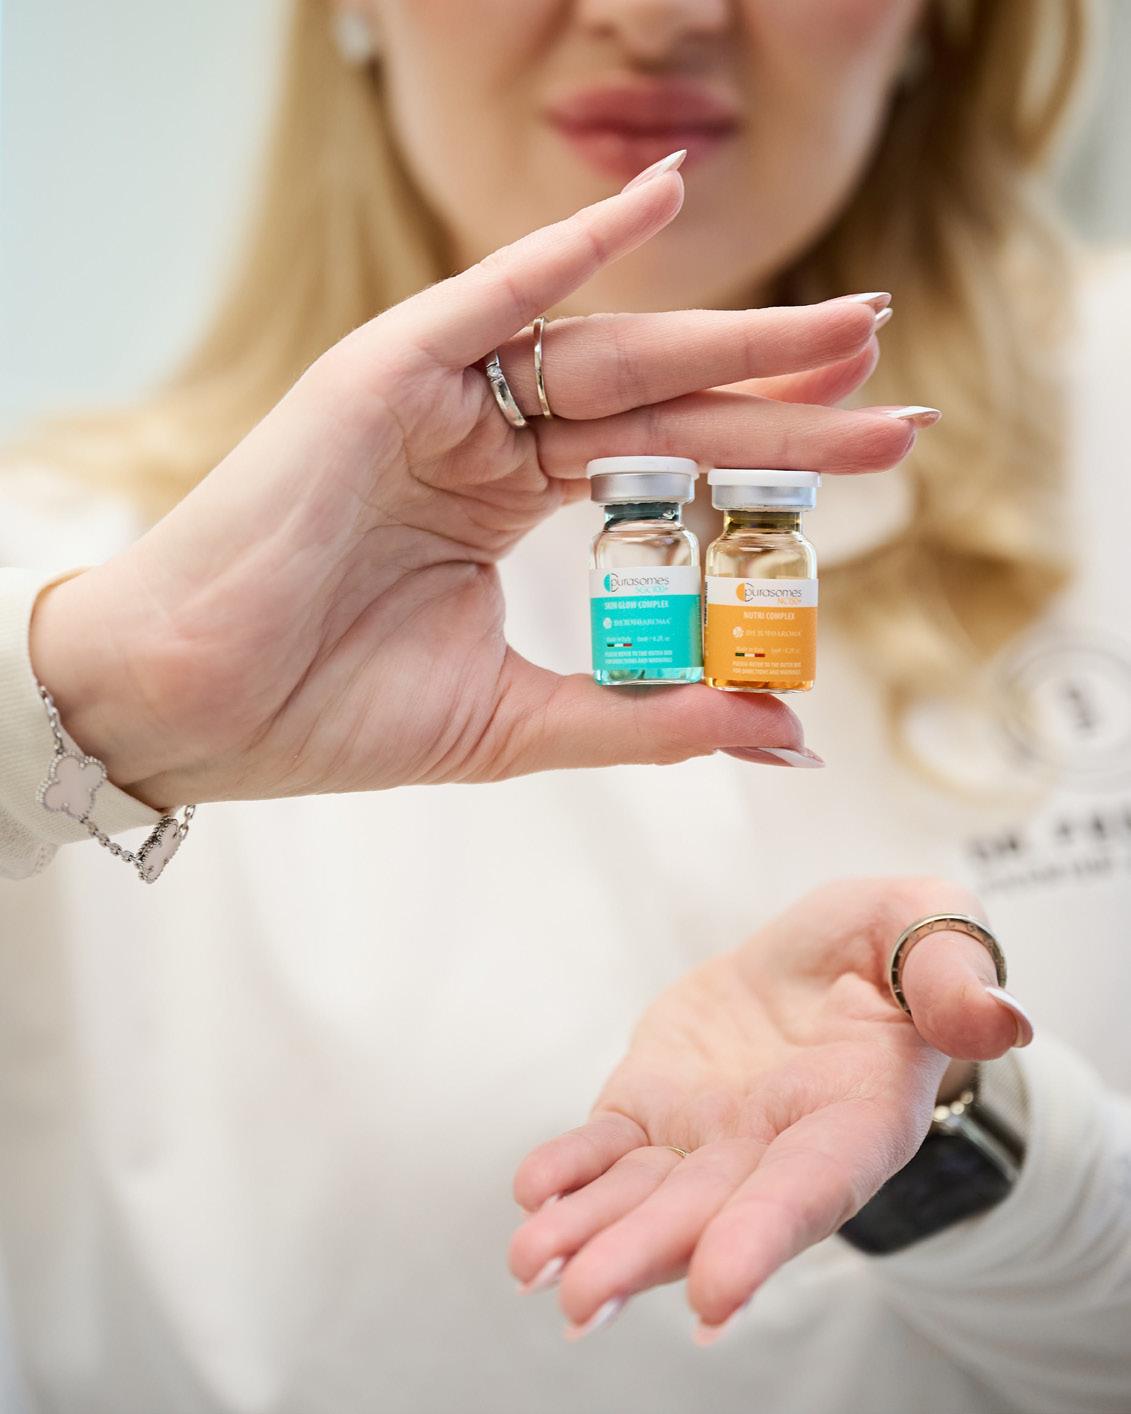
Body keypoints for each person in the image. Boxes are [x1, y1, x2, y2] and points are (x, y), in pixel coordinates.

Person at [1, 1, 1128, 1412]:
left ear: (935, 23)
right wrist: (78, 719)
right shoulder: (59, 592)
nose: (656, 18)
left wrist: (976, 1140)